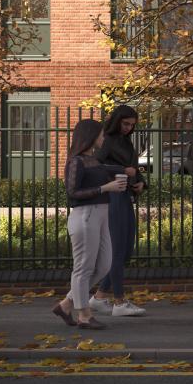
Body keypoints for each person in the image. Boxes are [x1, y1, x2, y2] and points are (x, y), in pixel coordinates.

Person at [54, 118, 125, 330]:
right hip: (85, 215)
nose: (104, 138)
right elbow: (72, 192)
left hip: (101, 214)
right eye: (101, 134)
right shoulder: (75, 161)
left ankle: (66, 304)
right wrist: (106, 188)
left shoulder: (93, 160)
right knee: (83, 268)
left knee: (104, 264)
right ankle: (84, 315)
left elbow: (109, 169)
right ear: (90, 136)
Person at [91, 104, 147, 318]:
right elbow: (95, 166)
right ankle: (119, 302)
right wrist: (121, 171)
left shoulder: (126, 141)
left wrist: (141, 182)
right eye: (125, 123)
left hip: (125, 196)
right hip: (112, 197)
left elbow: (134, 168)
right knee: (117, 250)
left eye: (132, 125)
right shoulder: (107, 140)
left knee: (126, 251)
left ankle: (99, 298)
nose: (128, 128)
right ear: (117, 121)